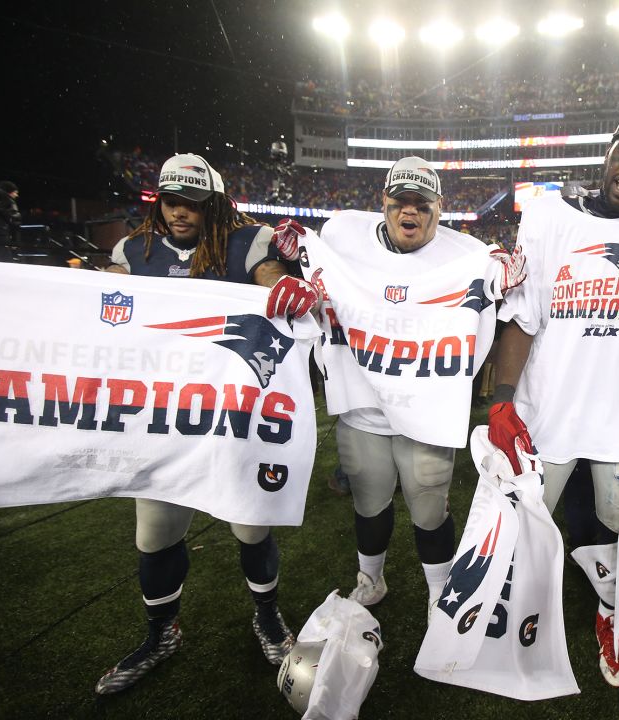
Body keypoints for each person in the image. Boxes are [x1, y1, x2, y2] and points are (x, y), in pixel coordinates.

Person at [487, 108, 619, 686]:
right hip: (548, 414)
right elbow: (523, 319)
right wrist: (503, 401)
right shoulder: (548, 216)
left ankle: (614, 616)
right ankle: (507, 614)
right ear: (608, 153)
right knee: (522, 523)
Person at [93, 153, 319, 695]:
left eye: (191, 203)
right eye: (170, 200)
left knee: (250, 524)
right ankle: (161, 633)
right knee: (156, 535)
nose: (179, 212)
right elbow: (108, 301)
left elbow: (269, 281)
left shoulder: (248, 242)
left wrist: (285, 288)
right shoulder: (135, 250)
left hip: (232, 418)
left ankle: (267, 616)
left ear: (213, 204)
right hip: (164, 417)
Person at [277, 157, 524, 616]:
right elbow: (313, 278)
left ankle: (439, 592)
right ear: (383, 203)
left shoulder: (466, 256)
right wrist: (296, 261)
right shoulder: (342, 235)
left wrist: (505, 283)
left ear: (439, 208)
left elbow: (504, 299)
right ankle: (371, 580)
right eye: (400, 202)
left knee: (429, 509)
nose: (409, 211)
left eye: (421, 203)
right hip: (363, 408)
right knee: (369, 503)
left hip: (425, 412)